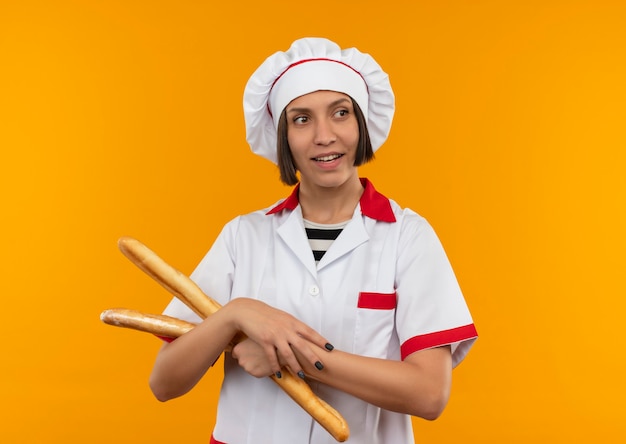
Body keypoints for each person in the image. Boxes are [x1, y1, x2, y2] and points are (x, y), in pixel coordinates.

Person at [149, 37, 477, 444]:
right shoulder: (243, 236)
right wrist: (235, 315)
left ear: (361, 122)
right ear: (283, 136)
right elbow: (164, 383)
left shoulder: (408, 237)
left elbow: (429, 394)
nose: (324, 136)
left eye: (340, 113)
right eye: (301, 119)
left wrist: (294, 353)